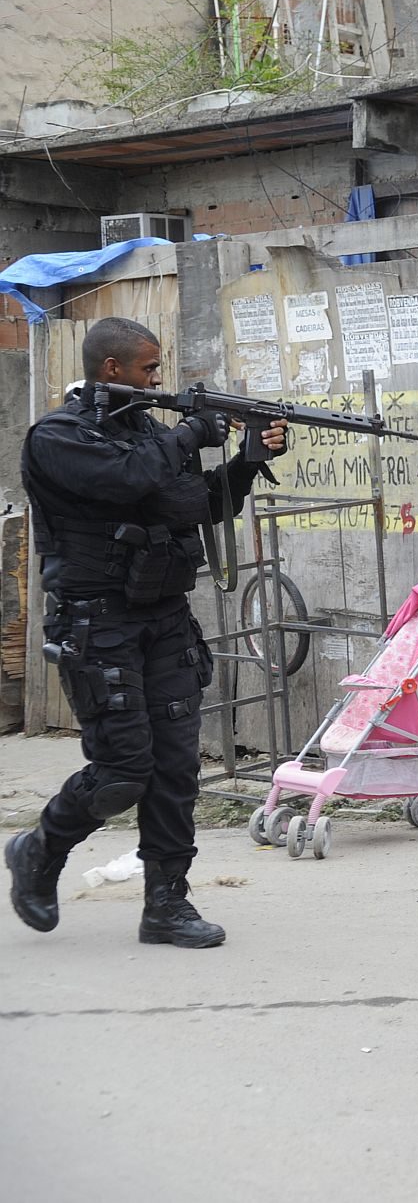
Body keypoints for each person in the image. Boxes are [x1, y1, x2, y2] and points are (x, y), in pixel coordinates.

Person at [6, 316, 288, 947]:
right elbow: (129, 481)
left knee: (174, 767)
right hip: (97, 623)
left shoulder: (145, 432)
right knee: (121, 771)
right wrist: (191, 431)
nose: (157, 379)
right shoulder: (59, 436)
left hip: (163, 619)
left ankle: (166, 904)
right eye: (149, 369)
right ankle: (40, 849)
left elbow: (196, 505)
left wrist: (246, 460)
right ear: (112, 369)